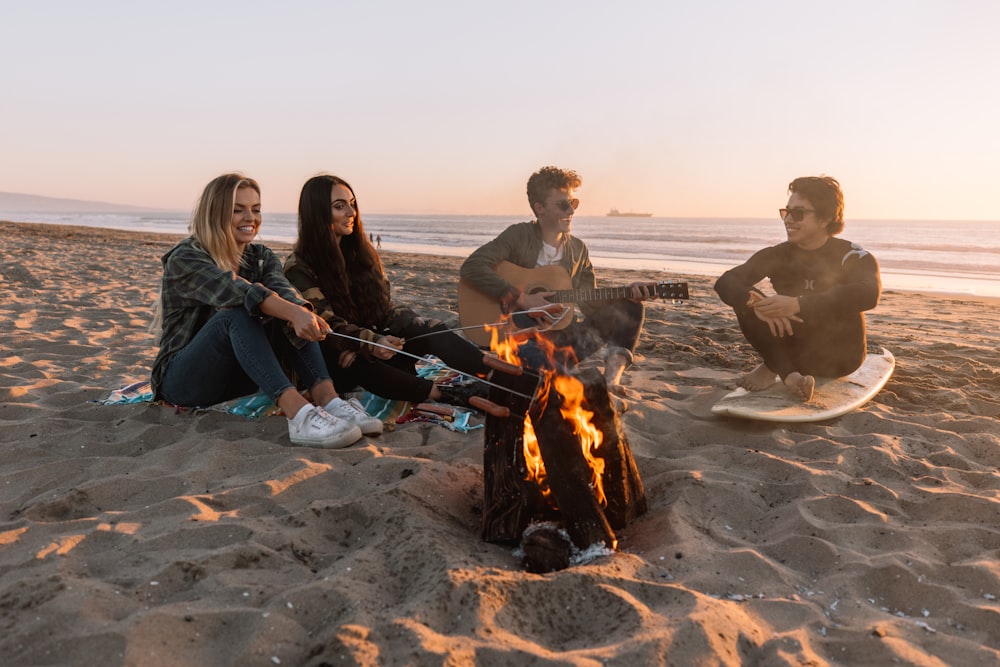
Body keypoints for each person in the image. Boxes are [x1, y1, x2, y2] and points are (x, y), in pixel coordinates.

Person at [150, 173, 382, 449]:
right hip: (184, 381)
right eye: (237, 210)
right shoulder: (186, 257)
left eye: (256, 209)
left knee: (288, 310)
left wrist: (300, 313)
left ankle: (329, 400)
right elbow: (238, 291)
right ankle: (299, 415)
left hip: (237, 377)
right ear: (215, 213)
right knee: (236, 314)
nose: (250, 218)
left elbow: (283, 293)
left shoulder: (261, 256)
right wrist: (293, 312)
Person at [284, 174, 492, 405]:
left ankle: (492, 376)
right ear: (317, 212)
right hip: (334, 360)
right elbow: (325, 325)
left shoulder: (362, 254)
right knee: (350, 358)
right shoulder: (298, 266)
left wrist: (403, 329)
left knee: (428, 327)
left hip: (373, 347)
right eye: (339, 206)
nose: (352, 213)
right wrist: (371, 342)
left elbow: (386, 309)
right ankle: (448, 395)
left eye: (352, 204)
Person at [459, 165, 657, 395]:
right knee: (543, 376)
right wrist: (521, 298)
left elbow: (589, 303)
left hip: (562, 342)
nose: (571, 210)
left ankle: (611, 380)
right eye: (563, 204)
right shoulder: (518, 235)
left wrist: (625, 293)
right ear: (539, 208)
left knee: (630, 309)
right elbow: (472, 266)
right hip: (522, 341)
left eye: (574, 203)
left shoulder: (578, 250)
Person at [713, 176, 881, 401]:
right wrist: (756, 303)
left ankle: (772, 367)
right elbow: (726, 281)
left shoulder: (851, 255)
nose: (788, 219)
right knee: (748, 300)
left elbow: (868, 293)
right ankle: (790, 376)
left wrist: (798, 304)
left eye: (798, 213)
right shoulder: (778, 255)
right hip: (794, 349)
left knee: (772, 303)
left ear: (825, 218)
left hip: (841, 355)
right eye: (786, 212)